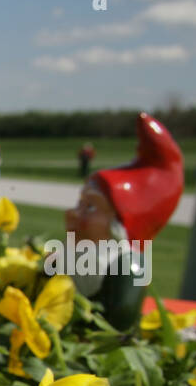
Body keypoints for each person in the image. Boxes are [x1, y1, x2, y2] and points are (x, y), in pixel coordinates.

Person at [64, 113, 183, 330]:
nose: (74, 213)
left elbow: (121, 317)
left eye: (90, 206)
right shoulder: (79, 255)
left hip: (105, 345)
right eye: (79, 204)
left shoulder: (130, 266)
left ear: (118, 223)